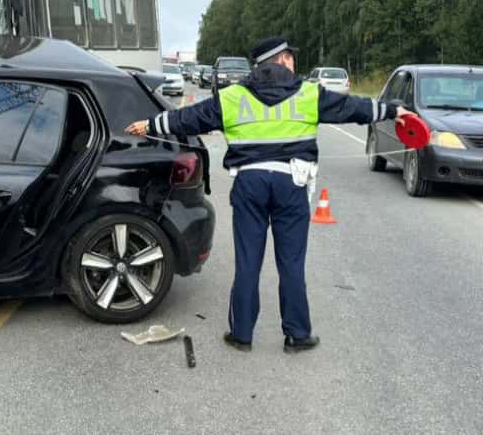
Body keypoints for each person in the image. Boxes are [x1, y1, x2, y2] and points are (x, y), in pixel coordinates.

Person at [125, 37, 411, 353]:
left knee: (248, 262)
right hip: (291, 184)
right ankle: (297, 335)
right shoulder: (308, 93)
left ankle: (242, 334)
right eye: (291, 57)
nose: (293, 62)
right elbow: (352, 108)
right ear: (283, 59)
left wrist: (150, 124)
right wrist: (392, 110)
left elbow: (190, 117)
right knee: (291, 264)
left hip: (250, 185)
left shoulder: (233, 96)